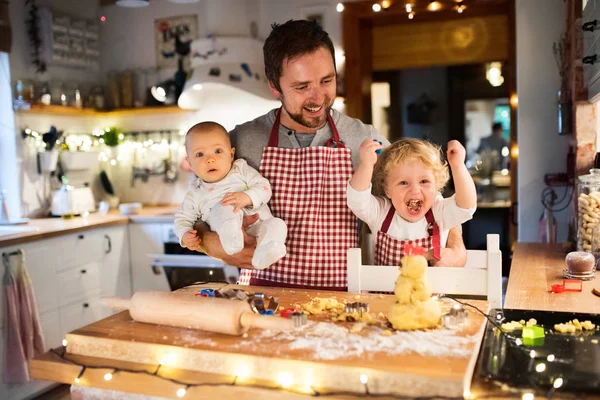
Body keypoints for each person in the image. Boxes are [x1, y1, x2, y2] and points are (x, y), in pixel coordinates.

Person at [194, 19, 468, 290]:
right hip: (262, 293)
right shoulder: (241, 141)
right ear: (275, 87)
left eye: (327, 80)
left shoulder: (365, 140)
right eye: (302, 87)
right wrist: (213, 243)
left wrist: (456, 247)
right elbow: (196, 206)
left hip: (341, 299)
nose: (318, 97)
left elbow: (425, 200)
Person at [174, 122, 287, 270]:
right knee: (224, 206)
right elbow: (182, 219)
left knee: (277, 224)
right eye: (200, 154)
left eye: (218, 151)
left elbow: (264, 187)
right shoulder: (195, 193)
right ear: (189, 163)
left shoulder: (241, 170)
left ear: (231, 154)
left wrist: (246, 197)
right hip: (225, 235)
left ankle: (267, 251)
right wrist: (184, 235)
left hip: (259, 224)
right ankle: (232, 240)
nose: (210, 159)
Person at [347, 138, 477, 267]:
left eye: (424, 181)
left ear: (436, 186)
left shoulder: (438, 211)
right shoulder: (381, 213)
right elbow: (357, 200)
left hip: (430, 288)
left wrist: (458, 166)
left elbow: (466, 207)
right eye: (403, 182)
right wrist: (366, 165)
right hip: (388, 288)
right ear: (387, 190)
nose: (415, 190)